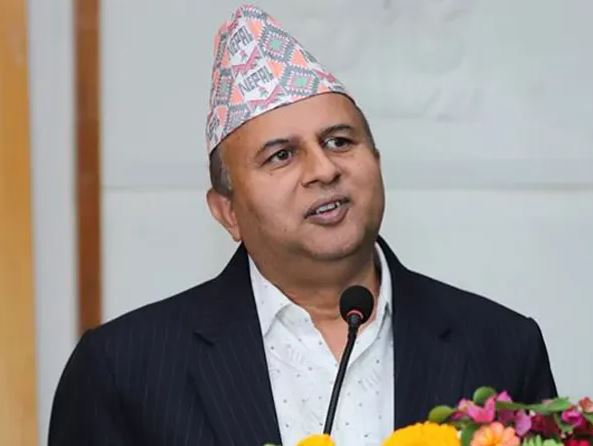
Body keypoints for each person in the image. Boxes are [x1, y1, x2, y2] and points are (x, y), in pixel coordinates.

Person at [49, 4, 556, 446]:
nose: (323, 169)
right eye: (282, 155)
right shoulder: (125, 368)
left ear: (377, 161)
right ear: (228, 211)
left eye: (340, 142)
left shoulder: (501, 344)